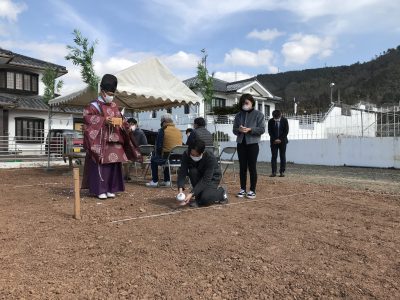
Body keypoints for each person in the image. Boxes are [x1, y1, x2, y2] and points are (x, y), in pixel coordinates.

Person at [81, 74, 138, 199]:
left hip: (115, 139)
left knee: (114, 165)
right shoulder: (93, 105)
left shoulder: (114, 106)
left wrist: (126, 126)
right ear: (102, 91)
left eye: (113, 94)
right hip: (100, 140)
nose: (111, 96)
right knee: (101, 165)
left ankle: (111, 188)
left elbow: (121, 120)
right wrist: (103, 120)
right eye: (109, 93)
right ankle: (100, 190)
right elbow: (86, 117)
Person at [233, 93, 265, 199]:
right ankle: (242, 189)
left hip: (253, 144)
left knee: (252, 167)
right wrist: (239, 129)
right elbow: (234, 130)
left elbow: (262, 129)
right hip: (241, 143)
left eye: (246, 103)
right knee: (242, 167)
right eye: (243, 103)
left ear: (252, 103)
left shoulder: (259, 114)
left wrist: (250, 129)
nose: (244, 105)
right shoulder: (238, 115)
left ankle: (252, 190)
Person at [177, 139, 228, 207]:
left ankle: (221, 192)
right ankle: (199, 196)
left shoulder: (210, 157)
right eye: (192, 154)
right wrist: (180, 191)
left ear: (202, 152)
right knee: (192, 171)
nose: (193, 156)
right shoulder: (186, 154)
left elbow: (205, 180)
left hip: (212, 178)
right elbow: (182, 172)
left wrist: (191, 193)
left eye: (196, 155)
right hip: (199, 175)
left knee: (205, 199)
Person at [146, 113, 182, 187]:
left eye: (161, 121)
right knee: (166, 157)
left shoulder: (163, 130)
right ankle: (167, 181)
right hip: (178, 159)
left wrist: (157, 154)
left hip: (167, 157)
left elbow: (159, 146)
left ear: (164, 121)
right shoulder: (178, 131)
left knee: (154, 159)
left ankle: (155, 181)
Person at [268, 110, 289, 177]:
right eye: (275, 118)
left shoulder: (285, 120)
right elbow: (270, 131)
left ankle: (282, 172)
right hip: (273, 142)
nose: (276, 119)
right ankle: (274, 172)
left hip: (283, 141)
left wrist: (280, 139)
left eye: (277, 118)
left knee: (282, 156)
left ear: (280, 115)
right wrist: (275, 139)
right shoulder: (270, 121)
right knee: (274, 156)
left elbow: (286, 131)